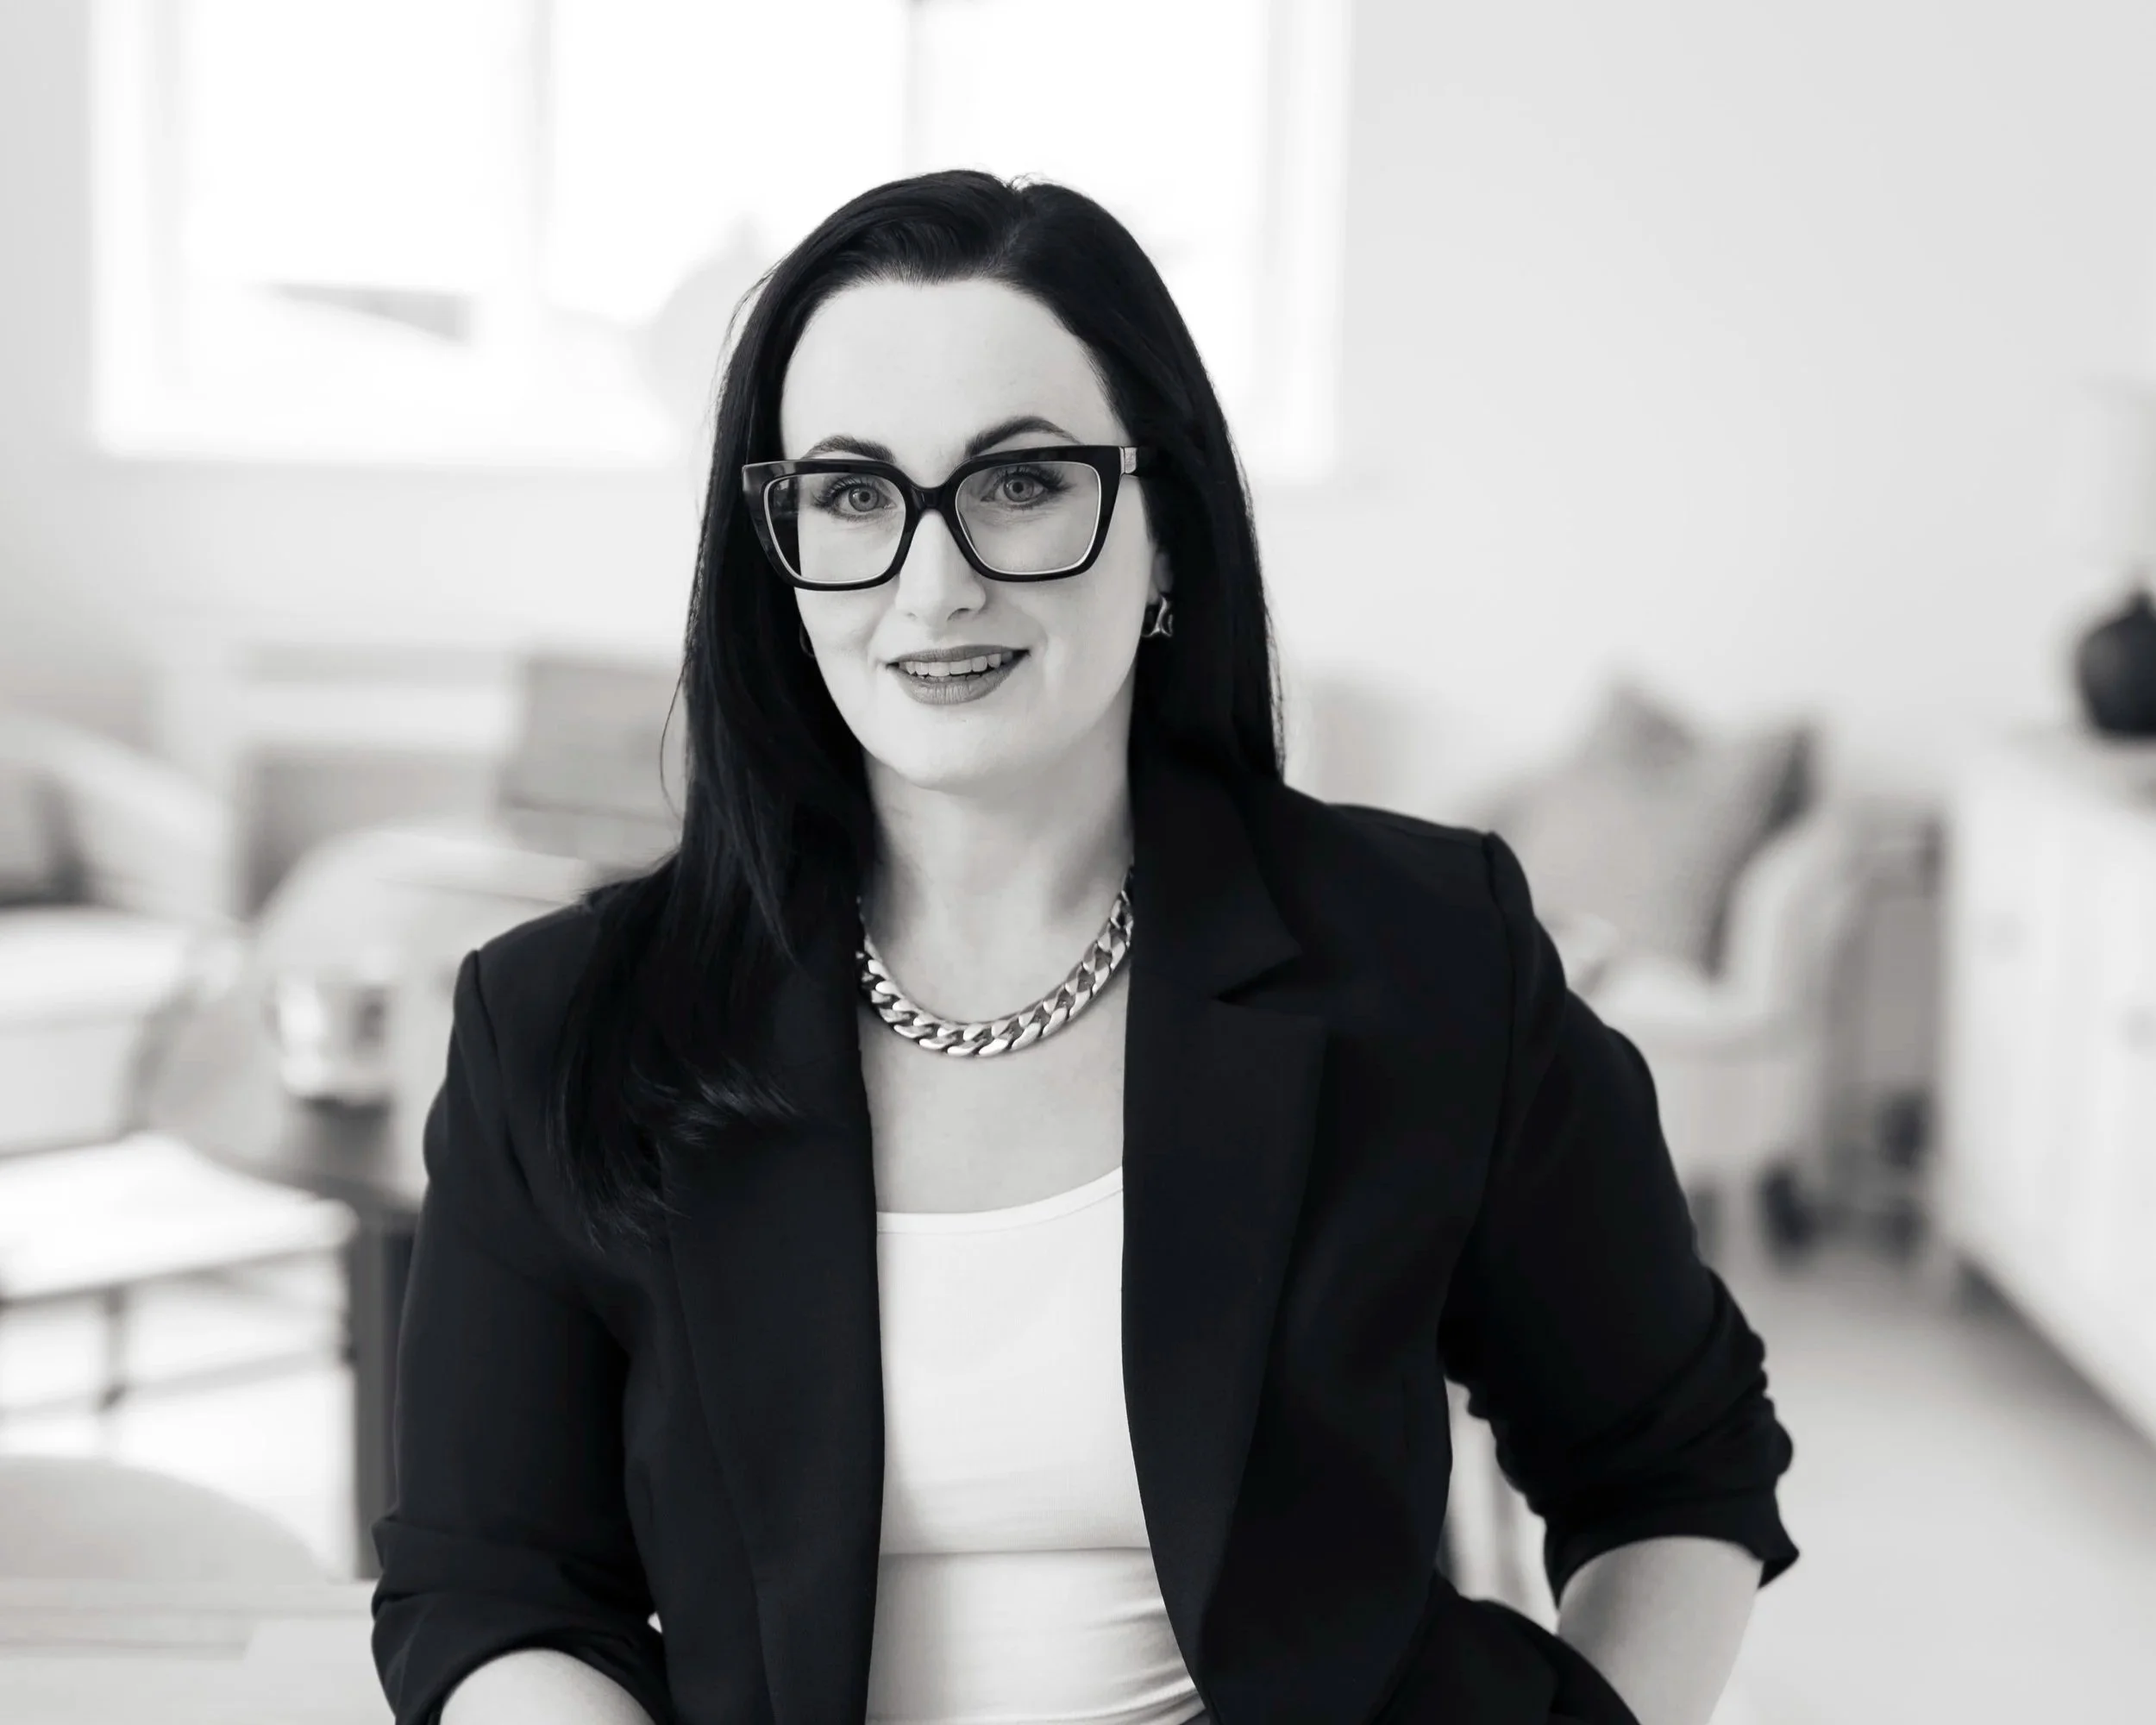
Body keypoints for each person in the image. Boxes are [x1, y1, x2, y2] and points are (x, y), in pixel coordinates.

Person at [370, 171, 1799, 1725]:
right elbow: (494, 1588)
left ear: (1165, 525)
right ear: (775, 560)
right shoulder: (567, 1021)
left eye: (1021, 483)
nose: (934, 582)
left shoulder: (1429, 956)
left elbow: (1674, 1461)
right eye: (852, 496)